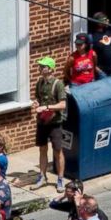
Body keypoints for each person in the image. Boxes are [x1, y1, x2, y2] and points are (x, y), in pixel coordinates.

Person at [31, 56, 67, 188]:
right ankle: (42, 176)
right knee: (42, 149)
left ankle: (60, 179)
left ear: (50, 69)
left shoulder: (58, 84)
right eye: (40, 66)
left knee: (58, 151)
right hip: (42, 122)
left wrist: (47, 107)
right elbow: (38, 99)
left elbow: (63, 105)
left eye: (43, 66)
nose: (40, 68)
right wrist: (36, 103)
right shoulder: (39, 82)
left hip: (55, 123)